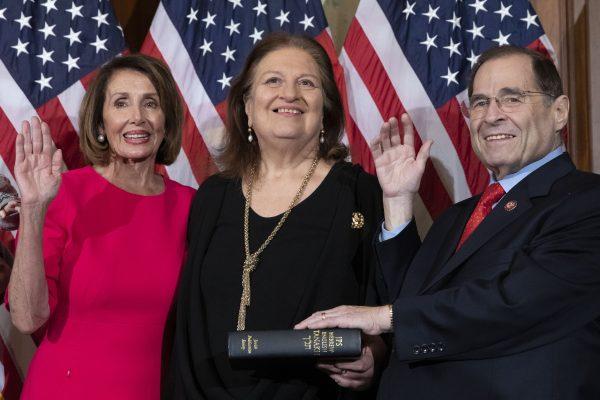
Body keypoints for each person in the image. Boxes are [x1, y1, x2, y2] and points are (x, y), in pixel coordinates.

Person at [297, 45, 600, 399]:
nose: (491, 116)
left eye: (511, 99)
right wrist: (397, 202)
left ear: (559, 111)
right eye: (481, 102)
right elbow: (410, 302)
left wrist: (383, 317)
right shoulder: (459, 216)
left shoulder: (587, 202)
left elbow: (516, 302)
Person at [168, 33, 385, 399]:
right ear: (247, 107)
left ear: (326, 110)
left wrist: (374, 357)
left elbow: (386, 305)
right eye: (273, 80)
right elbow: (187, 328)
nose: (290, 93)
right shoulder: (212, 197)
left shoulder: (360, 194)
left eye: (307, 82)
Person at [7, 54, 195, 399]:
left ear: (166, 122)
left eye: (150, 103)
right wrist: (33, 209)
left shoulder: (191, 207)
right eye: (121, 103)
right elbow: (26, 318)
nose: (136, 117)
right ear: (100, 124)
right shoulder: (64, 194)